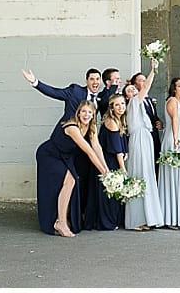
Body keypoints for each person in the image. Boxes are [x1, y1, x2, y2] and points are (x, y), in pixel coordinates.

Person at [22, 67, 104, 221]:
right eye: (92, 79)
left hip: (73, 151)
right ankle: (58, 220)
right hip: (61, 145)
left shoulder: (96, 102)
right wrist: (35, 82)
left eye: (97, 79)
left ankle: (72, 217)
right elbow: (55, 92)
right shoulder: (75, 92)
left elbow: (95, 145)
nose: (95, 82)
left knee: (76, 182)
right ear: (86, 81)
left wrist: (105, 169)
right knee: (67, 182)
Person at [35, 100, 108, 237]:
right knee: (70, 181)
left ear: (93, 115)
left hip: (65, 156)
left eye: (90, 112)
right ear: (78, 113)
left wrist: (106, 169)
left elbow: (96, 148)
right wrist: (103, 172)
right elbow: (89, 151)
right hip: (49, 155)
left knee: (72, 182)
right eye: (84, 111)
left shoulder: (91, 127)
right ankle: (60, 222)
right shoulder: (72, 127)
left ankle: (63, 217)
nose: (86, 115)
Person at [124, 59, 164, 231]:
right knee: (141, 176)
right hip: (139, 140)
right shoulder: (133, 103)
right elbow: (146, 87)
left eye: (134, 89)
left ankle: (147, 216)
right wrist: (153, 70)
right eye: (130, 89)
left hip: (145, 139)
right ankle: (136, 219)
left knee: (147, 176)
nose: (134, 90)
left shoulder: (138, 104)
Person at [84, 93, 129, 231]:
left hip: (113, 159)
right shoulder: (112, 122)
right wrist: (123, 169)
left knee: (111, 193)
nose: (121, 107)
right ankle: (106, 222)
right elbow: (117, 151)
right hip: (108, 161)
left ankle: (112, 219)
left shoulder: (120, 120)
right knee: (108, 192)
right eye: (117, 105)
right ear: (111, 108)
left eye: (122, 103)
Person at [158, 76, 180, 229]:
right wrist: (176, 141)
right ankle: (170, 218)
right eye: (179, 86)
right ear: (174, 88)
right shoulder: (172, 101)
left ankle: (179, 217)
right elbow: (175, 120)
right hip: (172, 140)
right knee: (172, 178)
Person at [129, 71, 163, 171]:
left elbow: (152, 117)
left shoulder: (149, 100)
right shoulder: (134, 101)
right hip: (140, 137)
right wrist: (153, 70)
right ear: (134, 85)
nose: (144, 82)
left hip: (153, 136)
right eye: (141, 80)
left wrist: (159, 123)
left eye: (145, 80)